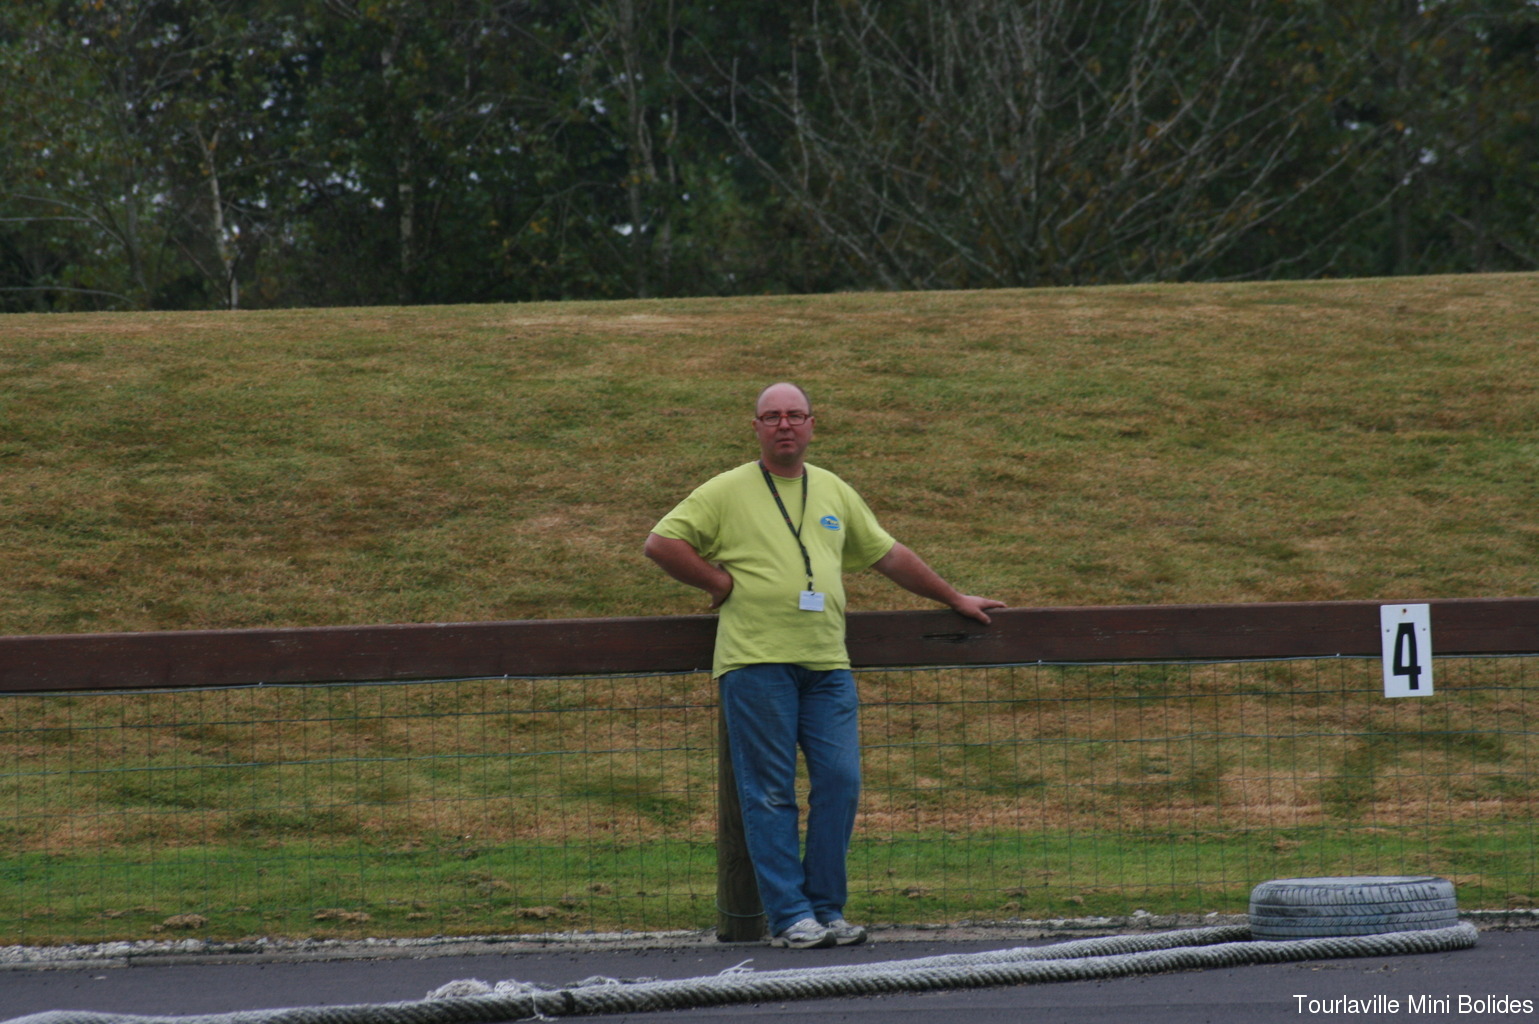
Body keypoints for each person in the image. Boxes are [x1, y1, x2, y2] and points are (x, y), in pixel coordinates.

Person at [644, 382, 1006, 949]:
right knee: (770, 793)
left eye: (795, 415)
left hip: (827, 665)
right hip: (756, 662)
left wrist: (952, 597)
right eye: (772, 417)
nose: (784, 425)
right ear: (756, 428)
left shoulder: (833, 489)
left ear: (813, 424)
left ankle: (826, 909)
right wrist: (718, 582)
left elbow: (889, 554)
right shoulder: (726, 489)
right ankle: (791, 917)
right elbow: (662, 543)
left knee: (840, 781)